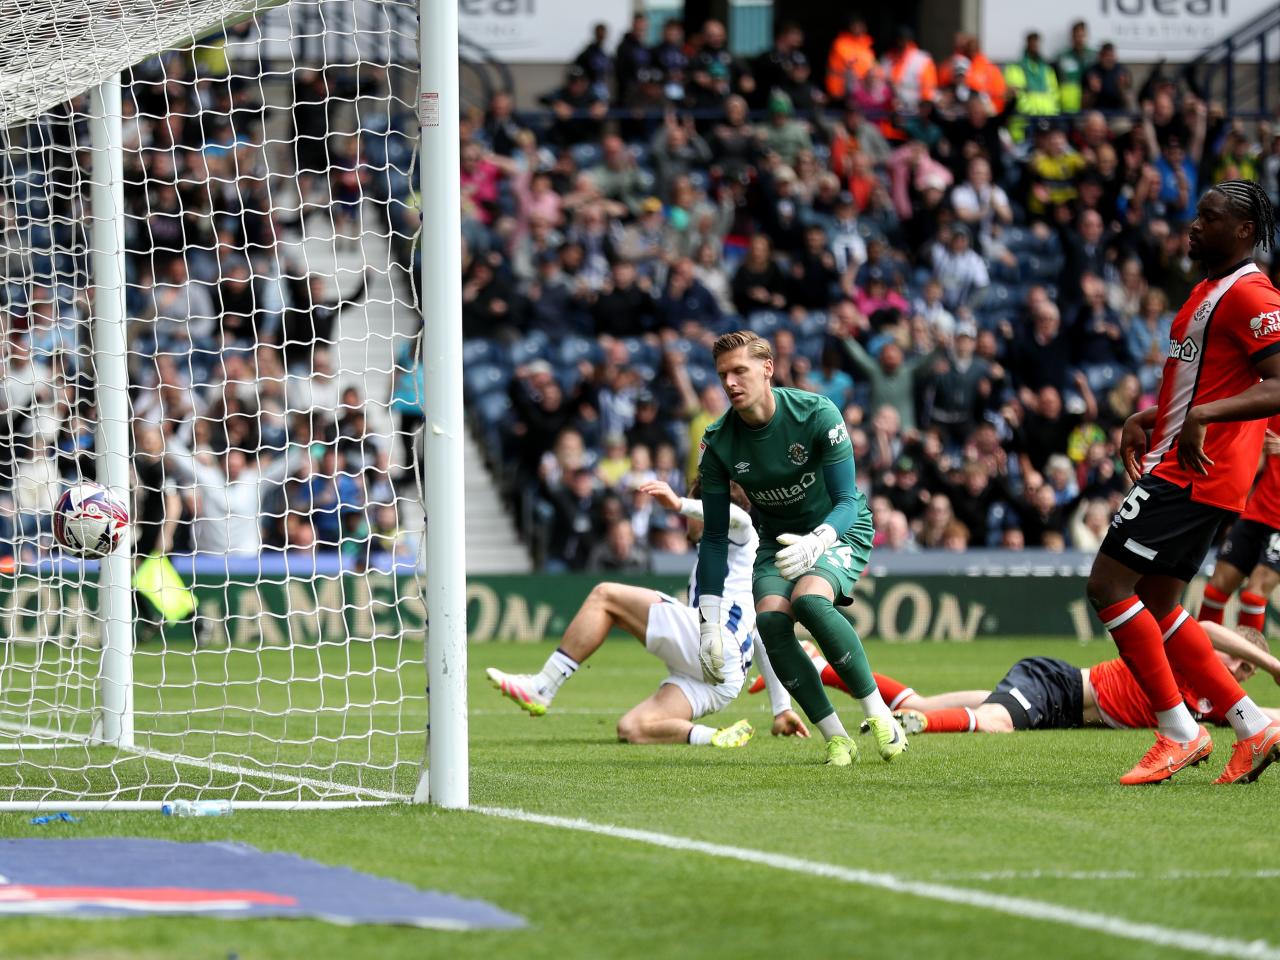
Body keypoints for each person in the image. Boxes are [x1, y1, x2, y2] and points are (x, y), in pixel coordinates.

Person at [1086, 180, 1280, 785]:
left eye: (1210, 217)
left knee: (1109, 585)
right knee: (1163, 602)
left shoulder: (1252, 293)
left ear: (1244, 230)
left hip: (1196, 471)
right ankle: (1253, 726)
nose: (1194, 226)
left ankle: (1179, 731)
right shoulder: (1206, 290)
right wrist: (1149, 418)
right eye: (1197, 216)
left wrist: (1199, 419)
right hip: (1186, 461)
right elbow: (1203, 384)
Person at [694, 331, 906, 767]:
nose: (730, 383)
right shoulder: (718, 443)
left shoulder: (816, 413)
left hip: (839, 529)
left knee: (808, 600)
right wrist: (709, 624)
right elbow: (714, 537)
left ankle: (880, 715)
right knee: (771, 622)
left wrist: (819, 541)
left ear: (767, 368)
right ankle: (836, 738)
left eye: (740, 371)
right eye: (723, 375)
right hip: (777, 540)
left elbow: (848, 500)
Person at [486, 480, 806, 749]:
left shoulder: (740, 537)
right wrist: (781, 709)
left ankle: (543, 686)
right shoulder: (736, 563)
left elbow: (736, 516)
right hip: (725, 678)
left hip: (715, 642)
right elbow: (763, 638)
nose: (686, 522)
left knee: (604, 596)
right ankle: (717, 737)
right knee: (633, 727)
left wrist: (679, 503)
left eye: (695, 513)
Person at [764, 624, 1280, 741]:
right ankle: (913, 726)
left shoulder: (1216, 702)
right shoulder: (1189, 657)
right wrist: (1274, 663)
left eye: (1248, 671)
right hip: (1057, 685)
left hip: (1062, 711)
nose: (1238, 671)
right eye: (1240, 661)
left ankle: (814, 665)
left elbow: (1267, 722)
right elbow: (1207, 628)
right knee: (992, 725)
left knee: (924, 696)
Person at [1199, 417, 1280, 632]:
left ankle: (1244, 664)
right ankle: (1201, 660)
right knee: (1215, 591)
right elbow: (1258, 459)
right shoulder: (1273, 403)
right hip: (1257, 512)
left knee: (1254, 596)